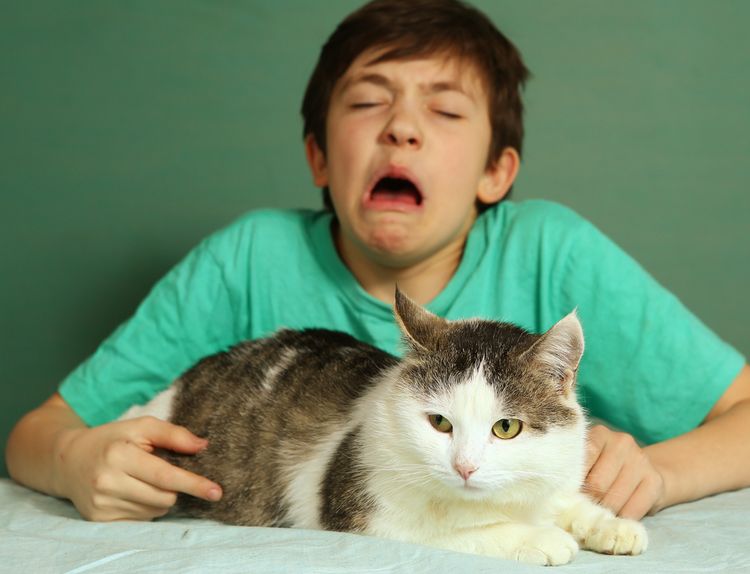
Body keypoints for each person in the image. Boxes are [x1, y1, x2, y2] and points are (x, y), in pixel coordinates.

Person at [6, 0, 749, 524]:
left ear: (497, 172)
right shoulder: (249, 258)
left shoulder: (553, 251)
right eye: (368, 103)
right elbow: (35, 435)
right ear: (319, 157)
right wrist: (74, 462)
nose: (401, 130)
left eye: (445, 111)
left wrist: (659, 471)